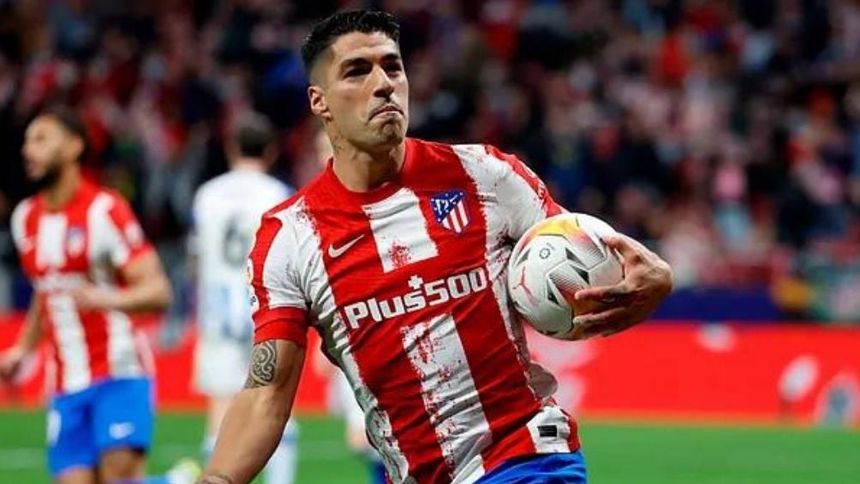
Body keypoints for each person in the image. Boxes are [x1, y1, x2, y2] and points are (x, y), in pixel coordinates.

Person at [202, 10, 673, 484]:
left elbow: (581, 253)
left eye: (393, 67)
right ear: (319, 101)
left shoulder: (486, 175)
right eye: (357, 71)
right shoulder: (290, 237)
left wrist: (653, 276)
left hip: (526, 457)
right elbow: (266, 392)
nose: (383, 84)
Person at [0, 107, 175, 483]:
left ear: (74, 146)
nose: (28, 150)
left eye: (41, 139)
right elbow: (45, 293)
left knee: (118, 480)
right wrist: (23, 350)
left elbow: (158, 291)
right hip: (65, 383)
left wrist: (104, 298)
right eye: (27, 141)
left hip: (119, 371)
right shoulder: (25, 218)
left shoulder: (105, 211)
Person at [190, 112, 297, 484]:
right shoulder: (278, 194)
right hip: (265, 309)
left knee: (221, 408)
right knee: (274, 397)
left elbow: (196, 257)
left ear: (231, 148)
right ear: (270, 151)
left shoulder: (207, 195)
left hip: (218, 310)